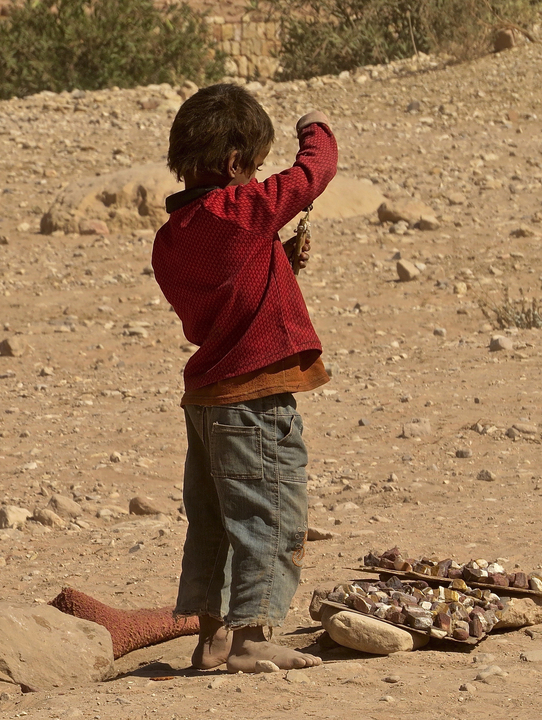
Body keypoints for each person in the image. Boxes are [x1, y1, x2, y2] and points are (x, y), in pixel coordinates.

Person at [151, 83, 338, 673]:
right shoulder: (243, 212)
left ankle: (211, 640)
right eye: (255, 167)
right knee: (268, 512)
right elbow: (315, 172)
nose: (259, 178)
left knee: (211, 522)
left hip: (206, 399)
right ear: (235, 164)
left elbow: (221, 290)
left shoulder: (171, 239)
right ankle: (253, 635)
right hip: (254, 398)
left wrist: (275, 254)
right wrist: (316, 128)